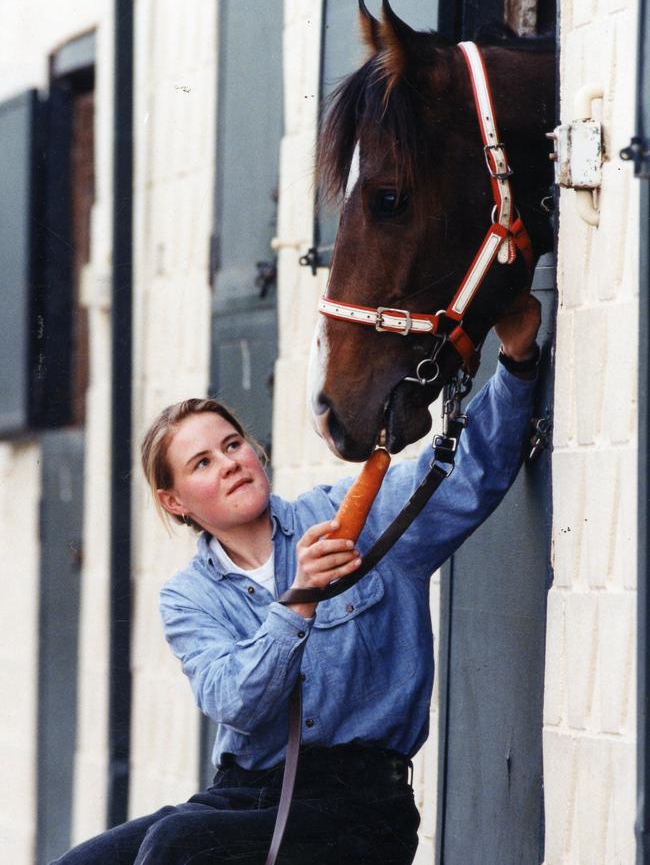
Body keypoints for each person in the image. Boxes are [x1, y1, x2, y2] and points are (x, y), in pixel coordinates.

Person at [51, 297, 541, 864]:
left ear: (255, 452)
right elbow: (235, 701)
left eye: (232, 445)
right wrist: (298, 602)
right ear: (174, 501)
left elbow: (465, 475)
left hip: (357, 803)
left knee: (177, 847)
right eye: (202, 463)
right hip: (241, 797)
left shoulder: (352, 519)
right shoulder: (188, 597)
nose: (230, 462)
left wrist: (517, 359)